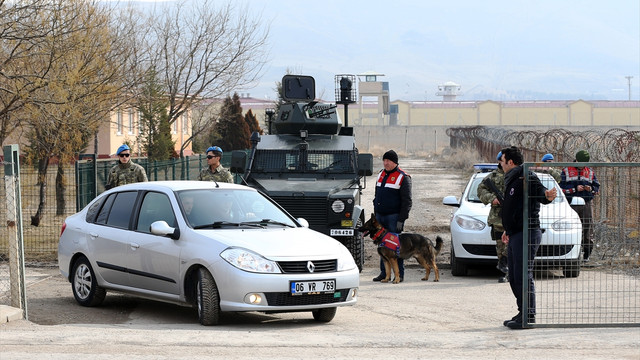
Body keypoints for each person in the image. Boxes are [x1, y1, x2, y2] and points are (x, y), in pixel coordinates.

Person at [500, 146, 557, 329]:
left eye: (501, 161)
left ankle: (528, 316)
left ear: (510, 162)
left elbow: (540, 193)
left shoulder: (527, 175)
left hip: (527, 232)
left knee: (523, 275)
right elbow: (513, 207)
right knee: (515, 276)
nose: (500, 165)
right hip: (515, 233)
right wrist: (507, 229)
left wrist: (547, 196)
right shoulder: (512, 178)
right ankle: (521, 312)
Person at [372, 150, 412, 283]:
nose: (385, 163)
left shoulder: (403, 177)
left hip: (393, 218)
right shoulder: (381, 174)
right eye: (384, 160)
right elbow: (376, 195)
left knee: (395, 247)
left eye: (388, 160)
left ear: (395, 162)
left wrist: (401, 219)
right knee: (382, 246)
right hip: (380, 217)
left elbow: (407, 201)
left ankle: (399, 275)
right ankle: (384, 273)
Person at [559, 149, 600, 262]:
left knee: (587, 228)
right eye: (580, 163)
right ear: (576, 160)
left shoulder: (590, 172)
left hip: (586, 203)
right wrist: (573, 189)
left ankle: (586, 254)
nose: (582, 166)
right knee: (569, 228)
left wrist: (590, 188)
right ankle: (568, 253)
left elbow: (596, 189)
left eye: (584, 164)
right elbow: (560, 189)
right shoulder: (566, 171)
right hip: (571, 204)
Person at [477, 151, 508, 283]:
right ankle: (503, 272)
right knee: (501, 246)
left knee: (512, 246)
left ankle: (509, 268)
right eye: (501, 160)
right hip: (498, 218)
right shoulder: (493, 177)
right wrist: (492, 198)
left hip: (515, 216)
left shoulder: (517, 175)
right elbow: (481, 190)